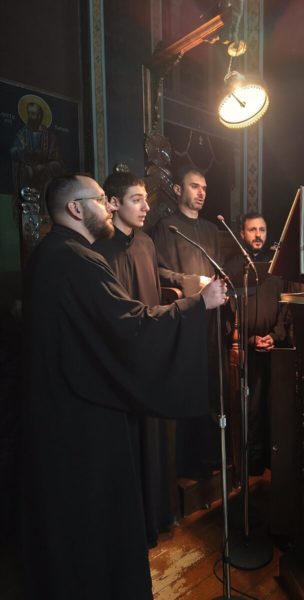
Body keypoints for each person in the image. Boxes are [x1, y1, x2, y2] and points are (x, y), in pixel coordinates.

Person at [21, 173, 227, 600]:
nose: (108, 206)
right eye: (101, 199)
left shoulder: (51, 253)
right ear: (76, 208)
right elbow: (130, 327)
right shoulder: (76, 259)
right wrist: (196, 305)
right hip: (83, 414)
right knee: (96, 517)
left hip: (59, 408)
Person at [93, 171, 178, 547]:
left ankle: (157, 516)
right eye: (136, 199)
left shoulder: (146, 243)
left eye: (146, 199)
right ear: (113, 203)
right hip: (117, 361)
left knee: (153, 441)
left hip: (149, 353)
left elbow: (153, 294)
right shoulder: (98, 248)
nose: (146, 207)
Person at [151, 166, 222, 478]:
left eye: (204, 187)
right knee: (188, 382)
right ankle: (186, 464)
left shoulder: (211, 229)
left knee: (211, 383)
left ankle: (210, 458)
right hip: (183, 315)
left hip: (212, 319)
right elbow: (158, 270)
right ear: (178, 190)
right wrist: (192, 281)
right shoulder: (166, 227)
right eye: (194, 186)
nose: (201, 192)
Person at [225, 212, 289, 475]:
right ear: (242, 234)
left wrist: (274, 336)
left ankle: (271, 462)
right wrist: (249, 338)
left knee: (273, 407)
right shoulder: (232, 268)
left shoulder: (277, 267)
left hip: (274, 350)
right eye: (252, 230)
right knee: (249, 409)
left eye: (262, 229)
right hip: (246, 351)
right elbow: (227, 315)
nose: (258, 235)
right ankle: (249, 464)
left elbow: (284, 309)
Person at [10, 97, 64, 214]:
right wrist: (22, 154)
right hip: (26, 181)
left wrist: (43, 167)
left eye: (33, 114)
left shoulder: (50, 137)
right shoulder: (22, 133)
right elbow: (13, 151)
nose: (30, 117)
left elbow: (57, 162)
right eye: (29, 113)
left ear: (40, 115)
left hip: (43, 181)